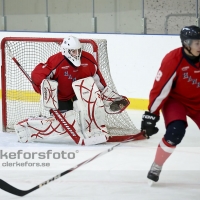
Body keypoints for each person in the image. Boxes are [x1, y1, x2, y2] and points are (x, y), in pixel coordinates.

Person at [140, 25, 200, 182]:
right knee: (175, 132)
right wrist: (151, 115)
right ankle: (157, 165)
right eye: (197, 43)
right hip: (176, 101)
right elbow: (159, 90)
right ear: (186, 43)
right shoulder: (172, 60)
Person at [31, 35, 107, 112]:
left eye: (79, 50)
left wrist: (106, 95)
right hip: (60, 98)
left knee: (86, 119)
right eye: (74, 51)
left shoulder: (88, 59)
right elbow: (38, 75)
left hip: (81, 96)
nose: (77, 54)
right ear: (65, 51)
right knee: (64, 122)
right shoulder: (56, 61)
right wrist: (45, 90)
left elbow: (97, 80)